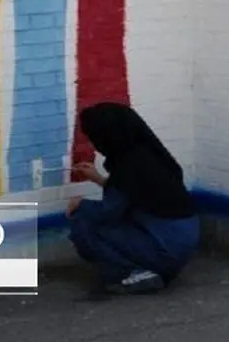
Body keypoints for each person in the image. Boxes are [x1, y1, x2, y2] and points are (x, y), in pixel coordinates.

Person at [67, 103, 200, 295]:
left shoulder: (129, 166)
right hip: (180, 239)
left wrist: (80, 204)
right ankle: (151, 267)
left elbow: (108, 211)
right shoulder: (147, 154)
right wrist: (97, 178)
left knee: (82, 220)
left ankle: (133, 272)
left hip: (165, 246)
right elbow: (136, 195)